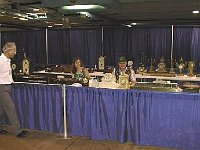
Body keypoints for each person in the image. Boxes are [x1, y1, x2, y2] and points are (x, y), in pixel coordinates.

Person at [0, 42, 28, 137]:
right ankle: (18, 131)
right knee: (10, 108)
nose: (15, 52)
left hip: (8, 87)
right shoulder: (0, 61)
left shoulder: (8, 60)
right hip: (2, 88)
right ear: (8, 50)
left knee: (2, 110)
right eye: (14, 50)